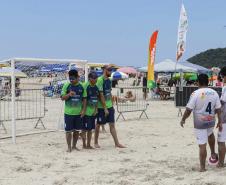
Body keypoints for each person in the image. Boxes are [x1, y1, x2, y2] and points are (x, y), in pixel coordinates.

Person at [180, 74, 222, 172]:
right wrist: (219, 121)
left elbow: (188, 109)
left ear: (198, 82)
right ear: (208, 82)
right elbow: (219, 109)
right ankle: (213, 153)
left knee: (202, 145)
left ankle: (202, 168)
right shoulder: (214, 93)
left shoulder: (195, 93)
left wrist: (183, 119)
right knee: (210, 134)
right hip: (211, 120)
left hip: (200, 123)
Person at [94, 65, 125, 148]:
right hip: (101, 107)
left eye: (111, 70)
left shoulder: (109, 80)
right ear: (104, 70)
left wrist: (111, 104)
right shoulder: (100, 80)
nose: (110, 71)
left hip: (109, 106)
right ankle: (96, 142)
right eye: (109, 70)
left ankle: (117, 143)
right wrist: (104, 108)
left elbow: (109, 92)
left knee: (112, 125)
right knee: (98, 125)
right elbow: (100, 95)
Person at [61, 69, 86, 152]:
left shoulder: (82, 86)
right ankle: (69, 147)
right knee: (68, 131)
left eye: (73, 79)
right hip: (68, 113)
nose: (71, 80)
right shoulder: (66, 85)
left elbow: (84, 99)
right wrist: (69, 94)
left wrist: (83, 110)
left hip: (78, 113)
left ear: (78, 77)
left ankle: (74, 146)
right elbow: (62, 98)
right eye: (70, 79)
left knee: (76, 131)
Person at [81, 71, 99, 149]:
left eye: (96, 78)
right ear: (89, 78)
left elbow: (96, 98)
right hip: (85, 112)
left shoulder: (96, 87)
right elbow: (82, 99)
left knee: (90, 129)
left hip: (92, 112)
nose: (96, 79)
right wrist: (83, 110)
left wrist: (95, 109)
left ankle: (88, 144)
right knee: (84, 129)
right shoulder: (85, 86)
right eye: (94, 78)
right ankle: (84, 144)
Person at [217, 66, 226, 167]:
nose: (223, 78)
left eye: (223, 76)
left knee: (221, 140)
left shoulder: (225, 88)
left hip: (225, 118)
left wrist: (219, 120)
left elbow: (222, 105)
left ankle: (221, 163)